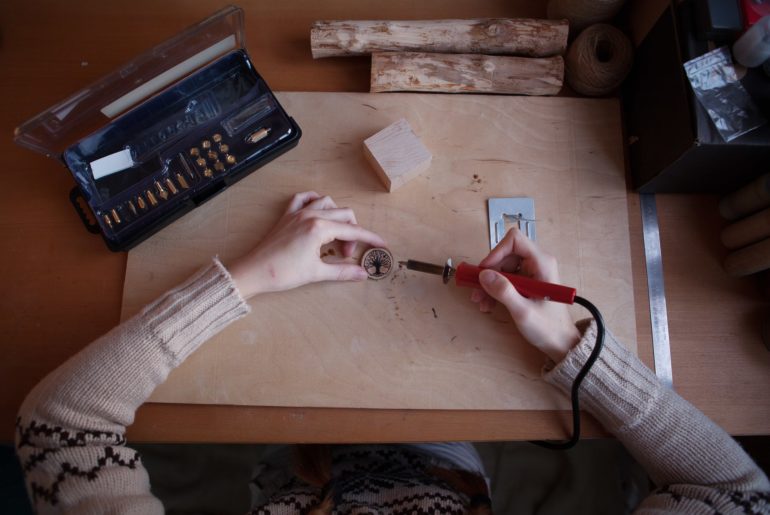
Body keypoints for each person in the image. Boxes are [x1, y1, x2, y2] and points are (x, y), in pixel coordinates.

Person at [15, 192, 770, 514]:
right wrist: (569, 345)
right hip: (446, 473)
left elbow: (61, 427)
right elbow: (736, 489)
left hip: (294, 476)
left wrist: (248, 277)